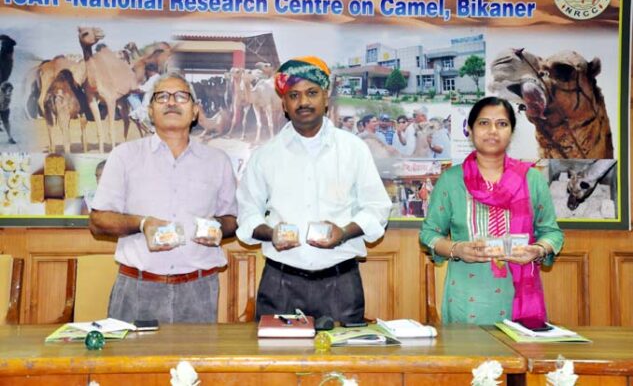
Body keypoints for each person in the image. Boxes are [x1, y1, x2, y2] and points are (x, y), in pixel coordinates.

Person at [236, 56, 391, 323]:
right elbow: (248, 215)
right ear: (283, 103)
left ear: (325, 98)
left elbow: (377, 209)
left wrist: (343, 233)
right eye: (294, 95)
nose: (303, 102)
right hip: (280, 283)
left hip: (340, 283)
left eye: (311, 93)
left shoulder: (353, 149)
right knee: (276, 364)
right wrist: (271, 233)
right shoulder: (265, 155)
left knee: (341, 364)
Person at [89, 73, 238, 324]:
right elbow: (98, 221)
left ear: (194, 112)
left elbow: (232, 220)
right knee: (130, 364)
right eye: (162, 97)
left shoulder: (217, 161)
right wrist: (142, 223)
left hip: (198, 289)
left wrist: (218, 227)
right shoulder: (124, 156)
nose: (171, 102)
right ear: (150, 111)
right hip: (137, 287)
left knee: (192, 364)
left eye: (181, 96)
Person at [419, 96, 563, 326]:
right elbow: (429, 234)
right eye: (484, 123)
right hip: (466, 298)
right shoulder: (451, 180)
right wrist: (457, 249)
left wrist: (537, 250)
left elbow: (552, 233)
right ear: (470, 129)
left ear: (511, 132)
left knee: (517, 361)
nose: (492, 130)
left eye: (502, 124)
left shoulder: (531, 179)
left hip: (518, 297)